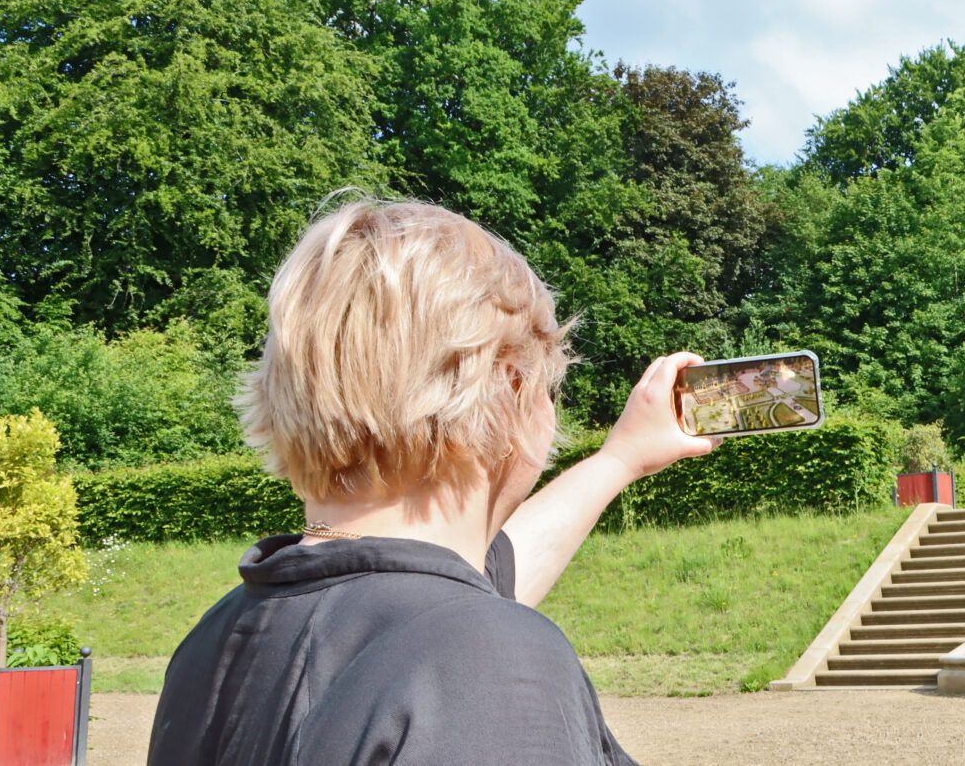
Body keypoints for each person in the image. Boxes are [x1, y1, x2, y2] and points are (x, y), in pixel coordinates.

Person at [148, 197, 716, 765]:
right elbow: (457, 627)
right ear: (510, 389)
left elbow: (456, 584)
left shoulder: (217, 641)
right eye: (547, 386)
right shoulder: (488, 659)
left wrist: (620, 460)